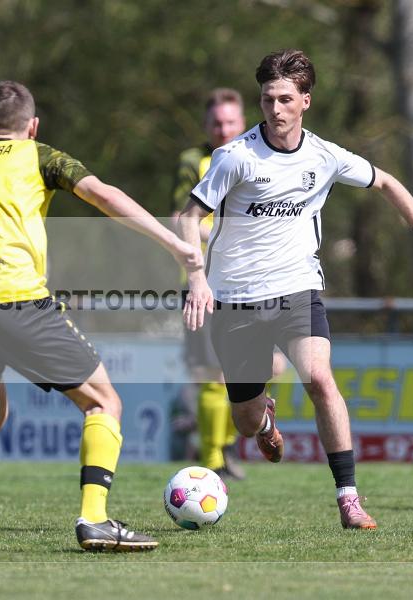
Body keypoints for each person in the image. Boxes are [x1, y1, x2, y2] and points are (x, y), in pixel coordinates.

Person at [0, 80, 198, 554]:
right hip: (15, 297)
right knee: (103, 403)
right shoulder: (39, 155)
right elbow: (102, 195)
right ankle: (95, 519)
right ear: (32, 126)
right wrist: (173, 241)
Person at [179, 49, 413, 530]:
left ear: (305, 101)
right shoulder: (234, 157)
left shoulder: (325, 156)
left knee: (319, 379)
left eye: (285, 99)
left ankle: (349, 499)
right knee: (246, 422)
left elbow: (388, 182)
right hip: (237, 299)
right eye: (267, 99)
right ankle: (265, 420)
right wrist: (197, 279)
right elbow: (189, 218)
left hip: (298, 289)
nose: (274, 109)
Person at [170, 88, 247, 480]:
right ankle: (215, 459)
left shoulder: (256, 157)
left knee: (268, 366)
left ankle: (226, 442)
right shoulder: (193, 161)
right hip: (205, 283)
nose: (223, 129)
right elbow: (177, 218)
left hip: (252, 281)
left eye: (230, 122)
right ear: (206, 125)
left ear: (243, 122)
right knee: (212, 374)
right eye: (216, 122)